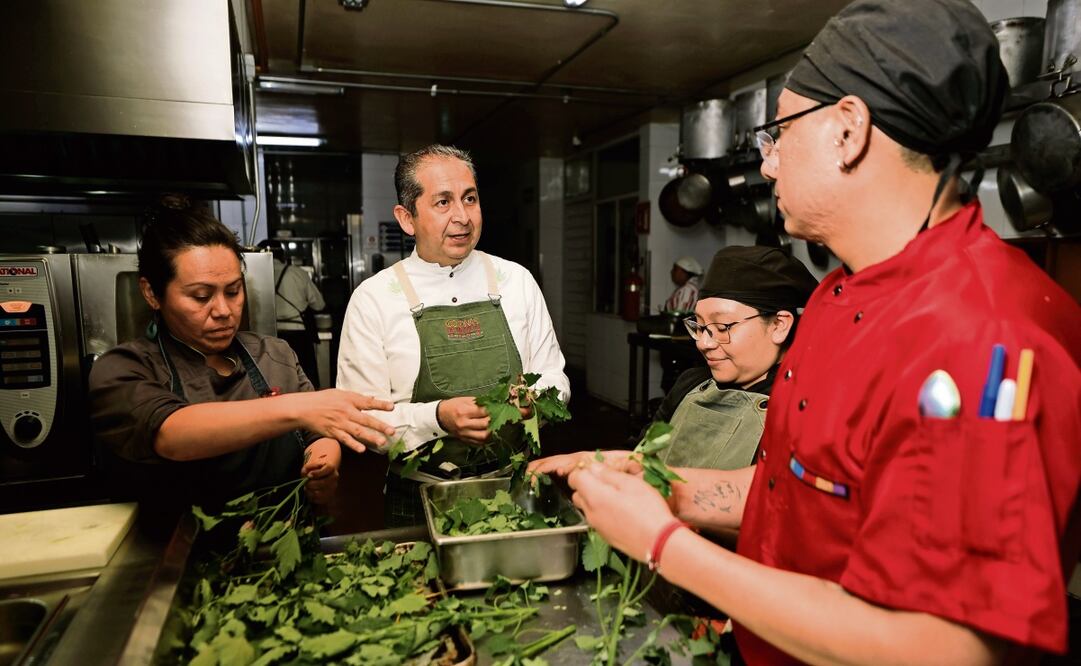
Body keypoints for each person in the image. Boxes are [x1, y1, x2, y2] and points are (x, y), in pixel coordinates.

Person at [533, 1, 1081, 663]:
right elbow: (785, 494)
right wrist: (651, 483)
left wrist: (662, 546)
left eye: (779, 134)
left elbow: (943, 645)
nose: (766, 166)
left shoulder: (981, 341)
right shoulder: (834, 297)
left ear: (847, 130)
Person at [88, 196, 395, 517]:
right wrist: (298, 407)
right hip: (183, 558)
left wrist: (322, 463)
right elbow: (172, 434)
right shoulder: (123, 369)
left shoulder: (273, 353)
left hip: (283, 542)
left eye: (233, 291)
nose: (223, 311)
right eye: (201, 296)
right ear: (151, 293)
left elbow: (315, 433)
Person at [337, 144, 570, 526]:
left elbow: (555, 377)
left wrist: (536, 402)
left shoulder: (517, 282)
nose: (462, 217)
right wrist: (439, 417)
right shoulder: (374, 299)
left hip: (514, 485)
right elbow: (365, 422)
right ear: (406, 218)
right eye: (443, 202)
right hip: (419, 495)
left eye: (470, 199)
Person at [653, 245, 818, 471]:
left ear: (779, 325)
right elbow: (643, 451)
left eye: (722, 326)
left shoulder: (804, 412)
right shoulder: (689, 383)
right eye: (699, 326)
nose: (703, 342)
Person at [258, 239, 326, 387]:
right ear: (283, 255)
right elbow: (319, 304)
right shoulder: (298, 273)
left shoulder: (256, 275)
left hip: (267, 335)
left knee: (276, 381)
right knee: (304, 378)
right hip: (298, 334)